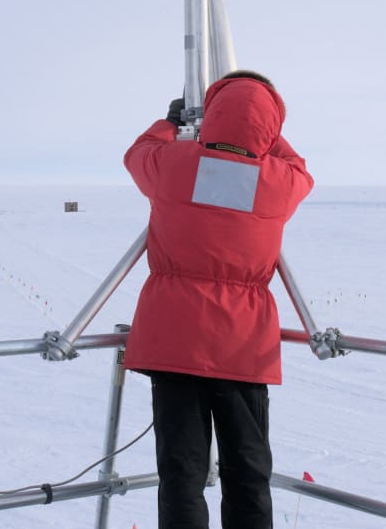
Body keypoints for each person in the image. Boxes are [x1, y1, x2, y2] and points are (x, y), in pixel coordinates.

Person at [123, 69, 314, 529]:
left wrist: (170, 123)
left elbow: (137, 155)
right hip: (243, 347)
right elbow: (301, 170)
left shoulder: (174, 163)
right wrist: (269, 135)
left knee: (181, 473)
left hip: (173, 342)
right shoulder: (279, 182)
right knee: (247, 472)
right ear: (268, 126)